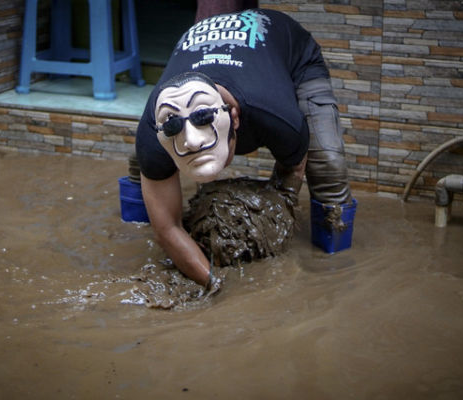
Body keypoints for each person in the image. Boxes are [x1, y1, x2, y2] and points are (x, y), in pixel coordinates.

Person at [135, 8, 352, 289]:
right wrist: (215, 285)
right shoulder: (154, 130)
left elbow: (291, 174)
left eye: (202, 124)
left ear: (235, 119)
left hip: (293, 58)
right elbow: (168, 229)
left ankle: (335, 262)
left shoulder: (277, 116)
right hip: (202, 49)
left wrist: (267, 229)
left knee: (328, 166)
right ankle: (137, 213)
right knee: (146, 159)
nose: (191, 141)